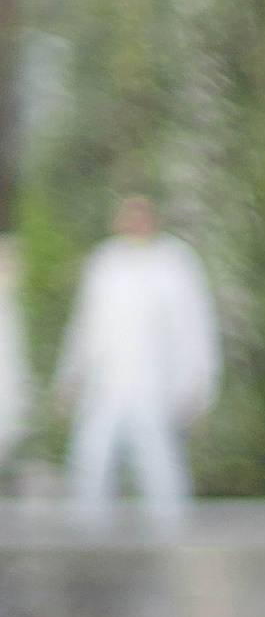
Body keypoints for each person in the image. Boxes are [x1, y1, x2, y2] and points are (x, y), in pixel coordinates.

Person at [56, 194, 221, 514]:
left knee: (161, 473)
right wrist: (71, 374)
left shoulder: (174, 264)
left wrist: (199, 383)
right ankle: (87, 537)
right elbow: (85, 325)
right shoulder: (105, 262)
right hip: (105, 389)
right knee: (89, 467)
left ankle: (169, 537)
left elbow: (194, 327)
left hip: (153, 391)